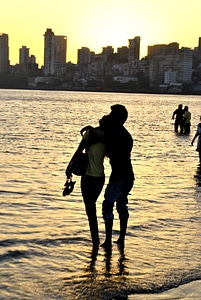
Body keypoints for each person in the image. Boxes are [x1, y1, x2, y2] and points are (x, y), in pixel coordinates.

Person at [65, 116, 110, 251]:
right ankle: (97, 241)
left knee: (90, 209)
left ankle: (95, 241)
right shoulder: (108, 136)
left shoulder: (90, 133)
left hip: (88, 177)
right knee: (92, 207)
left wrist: (69, 167)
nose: (102, 117)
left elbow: (78, 151)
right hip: (100, 177)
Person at [101, 104, 135, 249]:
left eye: (111, 114)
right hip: (128, 176)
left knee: (107, 205)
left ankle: (108, 240)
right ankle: (121, 238)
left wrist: (101, 124)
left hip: (119, 177)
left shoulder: (115, 134)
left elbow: (107, 148)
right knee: (122, 205)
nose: (108, 116)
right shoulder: (125, 135)